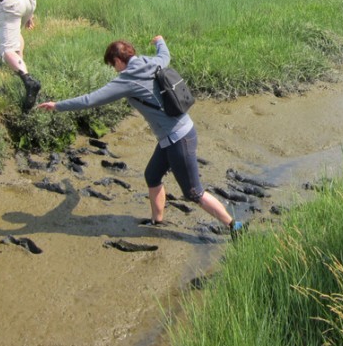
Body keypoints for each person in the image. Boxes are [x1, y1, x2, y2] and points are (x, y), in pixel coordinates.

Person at [37, 36, 246, 238]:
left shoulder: (127, 80)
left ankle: (234, 226)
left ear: (118, 60)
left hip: (179, 138)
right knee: (152, 176)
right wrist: (160, 41)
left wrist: (57, 106)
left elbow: (90, 100)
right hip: (175, 135)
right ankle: (157, 221)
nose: (115, 69)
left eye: (113, 65)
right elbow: (165, 55)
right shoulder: (152, 62)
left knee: (193, 193)